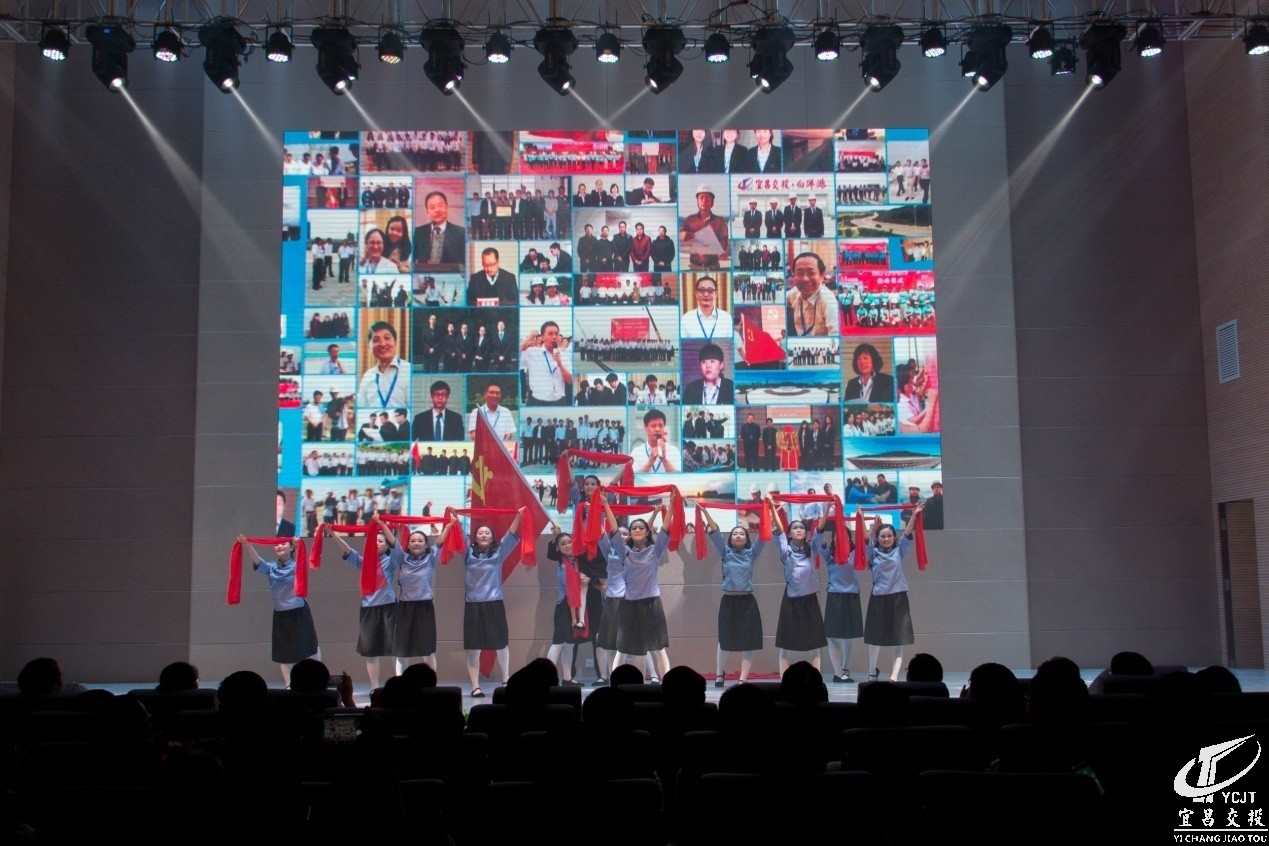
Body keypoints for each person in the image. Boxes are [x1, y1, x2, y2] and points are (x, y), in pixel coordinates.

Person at [461, 506, 527, 697]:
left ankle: (506, 680)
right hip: (473, 605)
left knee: (501, 644)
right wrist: (455, 519)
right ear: (474, 537)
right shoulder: (468, 552)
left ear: (492, 537)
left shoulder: (499, 552)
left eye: (487, 533)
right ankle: (475, 686)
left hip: (494, 603)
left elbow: (510, 534)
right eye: (480, 533)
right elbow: (459, 536)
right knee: (474, 648)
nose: (483, 535)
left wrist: (518, 516)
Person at [237, 534, 319, 686]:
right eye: (276, 544)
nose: (279, 546)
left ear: (291, 547)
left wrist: (298, 545)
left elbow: (302, 560)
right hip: (281, 615)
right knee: (284, 653)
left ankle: (319, 680)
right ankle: (288, 685)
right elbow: (258, 561)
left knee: (310, 648)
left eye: (283, 543)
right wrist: (248, 545)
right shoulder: (271, 568)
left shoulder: (297, 565)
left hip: (299, 613)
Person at [379, 515, 455, 675]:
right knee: (402, 650)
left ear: (426, 544)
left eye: (420, 541)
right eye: (413, 541)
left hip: (425, 608)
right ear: (408, 544)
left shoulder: (430, 558)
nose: (416, 543)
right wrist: (381, 523)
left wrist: (448, 526)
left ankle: (431, 682)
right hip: (405, 609)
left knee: (427, 650)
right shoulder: (402, 557)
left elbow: (439, 542)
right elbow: (393, 542)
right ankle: (400, 683)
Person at [605, 500, 673, 679]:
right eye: (633, 528)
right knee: (628, 649)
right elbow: (613, 528)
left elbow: (666, 528)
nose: (637, 530)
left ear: (647, 532)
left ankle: (667, 683)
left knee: (658, 649)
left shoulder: (655, 550)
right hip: (630, 606)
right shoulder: (623, 551)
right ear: (629, 533)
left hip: (651, 605)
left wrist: (672, 504)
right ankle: (627, 684)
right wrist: (605, 504)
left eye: (641, 528)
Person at [700, 505, 765, 687]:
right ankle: (719, 673)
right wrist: (705, 512)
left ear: (747, 539)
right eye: (735, 533)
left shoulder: (752, 554)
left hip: (747, 602)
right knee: (724, 639)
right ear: (730, 538)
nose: (738, 536)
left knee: (748, 641)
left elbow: (764, 536)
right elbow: (715, 531)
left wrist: (770, 512)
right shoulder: (725, 553)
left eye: (742, 534)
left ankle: (743, 678)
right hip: (728, 602)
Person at [327, 521, 396, 689]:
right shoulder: (365, 562)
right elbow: (347, 550)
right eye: (374, 540)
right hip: (368, 610)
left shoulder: (392, 560)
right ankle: (374, 687)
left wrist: (385, 527)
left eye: (381, 541)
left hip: (389, 608)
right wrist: (333, 534)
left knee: (396, 648)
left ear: (387, 545)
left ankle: (399, 684)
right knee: (371, 650)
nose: (377, 543)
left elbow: (396, 545)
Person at [861, 503, 923, 681]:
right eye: (883, 536)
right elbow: (866, 539)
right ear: (878, 538)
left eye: (889, 536)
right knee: (875, 638)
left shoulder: (899, 550)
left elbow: (908, 534)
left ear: (894, 537)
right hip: (878, 599)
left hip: (898, 598)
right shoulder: (873, 553)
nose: (886, 538)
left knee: (899, 638)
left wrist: (914, 515)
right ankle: (872, 672)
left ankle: (894, 676)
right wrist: (862, 518)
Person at [768, 500, 828, 673]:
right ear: (789, 534)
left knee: (815, 643)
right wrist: (772, 507)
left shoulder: (812, 547)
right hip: (791, 601)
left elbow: (820, 528)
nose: (799, 529)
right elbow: (779, 529)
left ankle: (816, 678)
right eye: (795, 528)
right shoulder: (785, 550)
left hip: (810, 601)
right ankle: (784, 680)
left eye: (801, 527)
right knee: (785, 644)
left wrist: (829, 507)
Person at [817, 503, 862, 683]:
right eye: (837, 536)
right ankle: (837, 673)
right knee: (834, 637)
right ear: (833, 539)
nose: (840, 538)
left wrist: (863, 520)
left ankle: (844, 667)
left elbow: (866, 540)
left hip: (852, 596)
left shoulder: (855, 552)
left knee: (849, 637)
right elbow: (818, 535)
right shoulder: (829, 554)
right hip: (835, 596)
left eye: (844, 535)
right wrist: (826, 512)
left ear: (849, 539)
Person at [545, 525, 590, 684]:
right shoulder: (564, 565)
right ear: (558, 548)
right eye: (563, 544)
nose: (567, 546)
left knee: (570, 645)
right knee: (558, 643)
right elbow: (570, 592)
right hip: (565, 606)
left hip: (575, 605)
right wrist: (574, 618)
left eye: (569, 542)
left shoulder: (576, 560)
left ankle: (567, 678)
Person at [357, 321, 410, 409]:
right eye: (376, 340)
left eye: (387, 338)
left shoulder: (409, 371)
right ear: (370, 346)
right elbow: (360, 408)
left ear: (395, 342)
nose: (382, 343)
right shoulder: (367, 376)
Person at [785, 251, 839, 337]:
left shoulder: (828, 300)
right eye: (800, 273)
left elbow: (835, 337)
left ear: (821, 275)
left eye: (811, 273)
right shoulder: (795, 293)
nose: (805, 279)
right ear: (794, 275)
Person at [520, 320, 571, 406]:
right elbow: (516, 349)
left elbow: (569, 380)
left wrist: (560, 365)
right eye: (550, 334)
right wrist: (530, 337)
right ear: (542, 337)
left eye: (556, 334)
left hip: (559, 401)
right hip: (538, 401)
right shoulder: (533, 353)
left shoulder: (564, 355)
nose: (554, 337)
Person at [681, 184, 729, 270]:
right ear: (697, 200)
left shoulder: (720, 222)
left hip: (713, 266)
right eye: (701, 197)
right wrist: (683, 235)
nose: (704, 200)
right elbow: (681, 238)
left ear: (712, 201)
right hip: (694, 267)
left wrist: (724, 253)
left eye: (707, 198)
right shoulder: (689, 220)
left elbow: (725, 242)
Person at [413, 190, 466, 269]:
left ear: (447, 207)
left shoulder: (460, 233)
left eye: (440, 205)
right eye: (432, 207)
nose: (437, 210)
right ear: (427, 211)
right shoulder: (419, 232)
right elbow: (412, 260)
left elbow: (464, 263)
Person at [682, 276, 731, 341]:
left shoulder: (727, 318)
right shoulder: (686, 319)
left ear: (716, 294)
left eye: (710, 290)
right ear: (696, 294)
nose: (706, 294)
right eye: (702, 290)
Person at [637, 408, 681, 473]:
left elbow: (678, 476)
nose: (657, 429)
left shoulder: (674, 451)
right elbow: (633, 477)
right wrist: (650, 462)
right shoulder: (637, 452)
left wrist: (664, 460)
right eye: (653, 426)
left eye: (661, 426)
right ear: (646, 427)